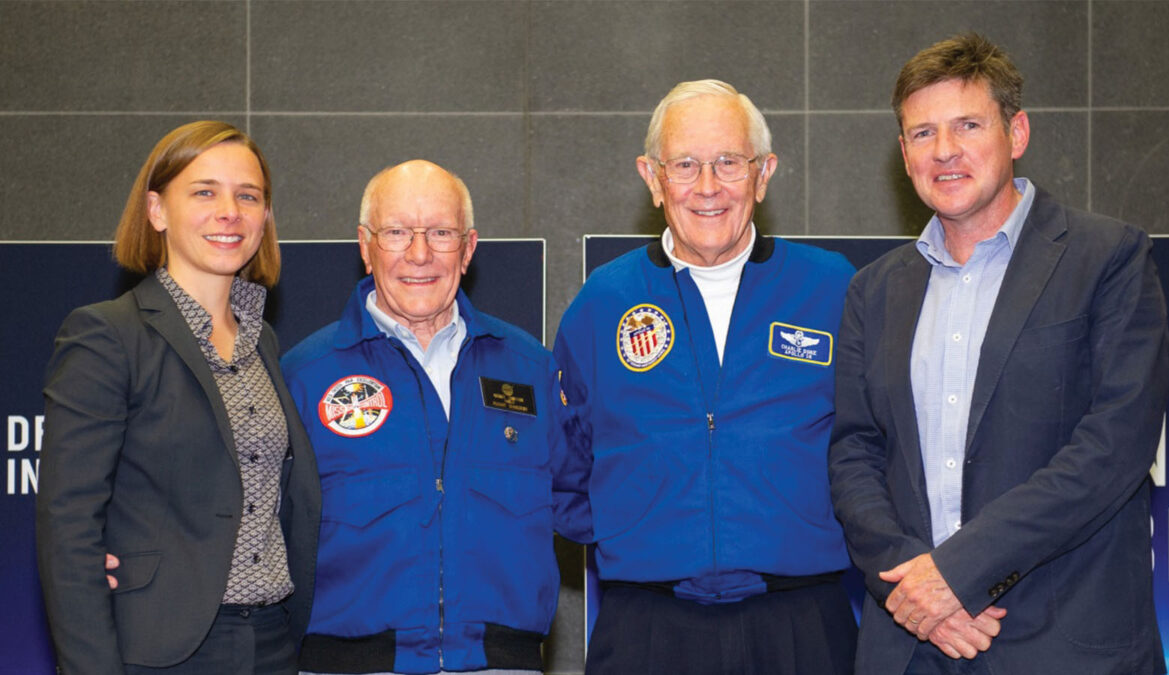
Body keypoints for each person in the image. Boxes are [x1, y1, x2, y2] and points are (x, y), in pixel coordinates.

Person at [828, 33, 1169, 674]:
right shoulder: (871, 291)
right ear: (903, 154)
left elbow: (1114, 446)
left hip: (1065, 642)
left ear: (1016, 134)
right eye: (922, 133)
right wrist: (912, 590)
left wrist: (954, 577)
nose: (945, 151)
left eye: (968, 125)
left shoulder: (1109, 258)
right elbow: (854, 453)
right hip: (912, 645)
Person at [553, 79, 858, 674]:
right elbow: (564, 468)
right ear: (652, 177)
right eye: (686, 165)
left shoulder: (831, 289)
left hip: (802, 624)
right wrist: (641, 531)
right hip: (647, 628)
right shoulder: (602, 302)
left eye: (729, 163)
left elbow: (877, 447)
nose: (709, 187)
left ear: (764, 174)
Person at [281, 160, 590, 675]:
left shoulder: (529, 367)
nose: (419, 254)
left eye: (441, 233)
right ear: (365, 245)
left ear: (468, 249)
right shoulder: (305, 375)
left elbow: (589, 501)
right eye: (397, 232)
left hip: (500, 666)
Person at [37, 120, 322, 675]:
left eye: (248, 196)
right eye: (204, 192)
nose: (229, 212)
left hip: (272, 642)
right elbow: (67, 522)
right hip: (161, 649)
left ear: (265, 217)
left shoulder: (261, 339)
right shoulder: (106, 334)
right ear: (157, 210)